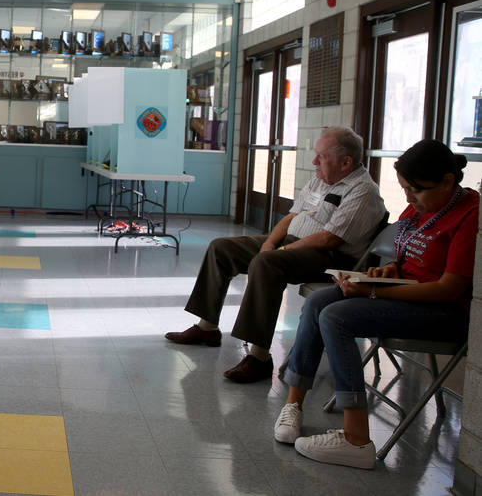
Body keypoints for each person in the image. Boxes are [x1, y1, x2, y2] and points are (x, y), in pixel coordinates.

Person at [273, 140, 477, 469]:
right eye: (405, 189)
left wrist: (374, 292)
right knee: (318, 302)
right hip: (405, 290)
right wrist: (390, 270)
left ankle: (356, 439)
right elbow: (407, 254)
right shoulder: (422, 206)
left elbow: (447, 289)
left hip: (442, 311)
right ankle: (294, 404)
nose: (409, 199)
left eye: (416, 190)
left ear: (448, 182)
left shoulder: (470, 216)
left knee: (337, 317)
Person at [164, 126, 386, 383]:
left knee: (267, 263)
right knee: (221, 247)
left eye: (321, 157)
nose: (314, 162)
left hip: (330, 257)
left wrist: (278, 252)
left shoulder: (362, 191)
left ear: (346, 162)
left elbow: (329, 238)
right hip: (296, 243)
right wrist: (270, 243)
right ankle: (207, 328)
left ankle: (259, 357)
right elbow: (292, 216)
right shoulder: (321, 179)